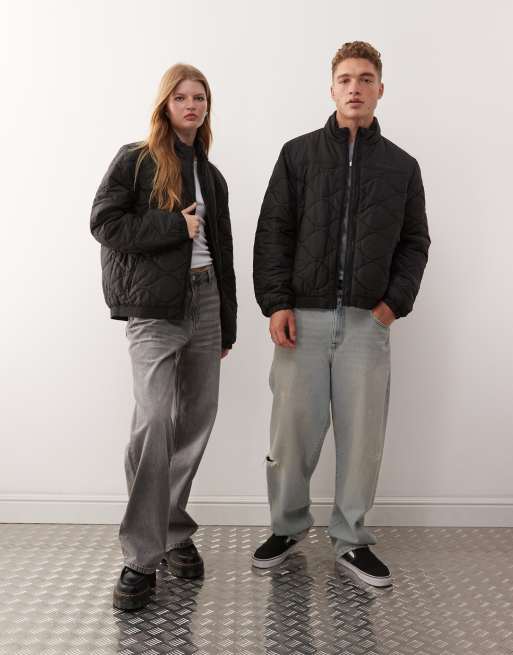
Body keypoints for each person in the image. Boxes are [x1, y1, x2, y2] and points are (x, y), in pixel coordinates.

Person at [252, 41, 430, 587]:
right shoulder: (297, 155)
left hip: (365, 323)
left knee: (362, 442)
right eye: (346, 79)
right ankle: (287, 528)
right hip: (301, 321)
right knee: (290, 437)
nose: (355, 87)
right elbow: (273, 231)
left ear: (380, 89)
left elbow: (415, 243)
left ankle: (351, 539)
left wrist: (391, 306)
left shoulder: (402, 166)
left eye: (366, 78)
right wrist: (276, 302)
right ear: (331, 89)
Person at [90, 63, 237, 610]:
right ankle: (141, 555)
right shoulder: (136, 159)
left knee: (196, 420)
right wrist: (176, 225)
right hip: (154, 310)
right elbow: (105, 223)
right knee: (154, 421)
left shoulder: (212, 175)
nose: (191, 105)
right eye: (181, 97)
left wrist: (228, 322)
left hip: (206, 301)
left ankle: (173, 527)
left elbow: (223, 251)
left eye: (199, 97)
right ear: (165, 104)